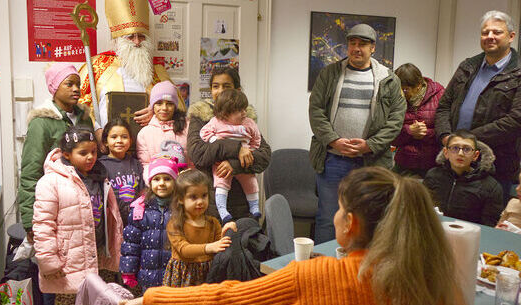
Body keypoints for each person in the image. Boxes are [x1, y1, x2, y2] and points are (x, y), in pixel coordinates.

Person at [122, 166, 461, 305]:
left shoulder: (315, 274)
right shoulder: (434, 276)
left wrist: (152, 297)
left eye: (340, 209)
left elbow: (227, 298)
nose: (335, 215)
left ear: (353, 224)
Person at [308, 23, 406, 243]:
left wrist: (370, 144)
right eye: (352, 43)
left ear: (373, 48)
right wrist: (333, 141)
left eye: (362, 44)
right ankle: (327, 268)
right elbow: (315, 111)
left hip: (371, 162)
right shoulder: (330, 73)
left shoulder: (389, 79)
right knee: (328, 218)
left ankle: (362, 268)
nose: (356, 48)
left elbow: (396, 119)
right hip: (333, 160)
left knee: (372, 219)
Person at [78, 0, 185, 142]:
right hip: (108, 148)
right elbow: (79, 106)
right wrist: (97, 131)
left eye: (141, 36)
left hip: (149, 147)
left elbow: (179, 107)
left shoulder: (156, 70)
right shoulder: (97, 66)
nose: (137, 42)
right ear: (117, 40)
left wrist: (156, 112)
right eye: (130, 37)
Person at [435, 10, 521, 206]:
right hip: (455, 163)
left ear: (511, 36)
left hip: (497, 167)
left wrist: (468, 141)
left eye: (497, 32)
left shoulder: (518, 72)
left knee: (488, 226)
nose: (490, 37)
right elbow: (443, 106)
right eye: (485, 32)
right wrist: (447, 137)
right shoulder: (468, 66)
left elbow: (515, 120)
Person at [33, 126, 123, 304]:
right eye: (83, 153)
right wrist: (49, 262)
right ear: (66, 154)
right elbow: (43, 225)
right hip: (69, 264)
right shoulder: (50, 182)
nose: (91, 157)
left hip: (98, 256)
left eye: (94, 151)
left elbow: (112, 219)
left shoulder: (100, 176)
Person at [18, 63, 93, 243]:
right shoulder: (42, 123)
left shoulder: (85, 118)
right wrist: (30, 221)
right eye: (69, 84)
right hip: (57, 206)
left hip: (86, 204)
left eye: (78, 83)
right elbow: (30, 173)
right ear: (54, 88)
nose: (76, 89)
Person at [187, 67, 271, 221]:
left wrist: (235, 165)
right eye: (215, 86)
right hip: (208, 201)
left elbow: (264, 155)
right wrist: (236, 148)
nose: (220, 91)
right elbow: (197, 153)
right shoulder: (200, 116)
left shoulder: (245, 118)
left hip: (241, 203)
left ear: (237, 90)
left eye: (226, 86)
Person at [163, 169, 237, 287]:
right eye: (193, 197)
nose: (200, 202)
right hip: (183, 276)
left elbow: (219, 245)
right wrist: (209, 247)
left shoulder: (213, 222)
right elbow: (184, 249)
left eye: (204, 196)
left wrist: (226, 231)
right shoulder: (175, 224)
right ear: (181, 199)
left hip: (207, 275)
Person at [200, 89, 262, 222]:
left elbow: (257, 139)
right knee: (221, 183)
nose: (244, 113)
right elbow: (204, 133)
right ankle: (222, 210)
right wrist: (216, 142)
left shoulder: (249, 122)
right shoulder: (216, 122)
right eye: (239, 111)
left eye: (244, 109)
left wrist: (251, 150)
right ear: (226, 113)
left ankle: (255, 207)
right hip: (221, 162)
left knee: (250, 181)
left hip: (244, 162)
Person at [120, 157, 178, 292]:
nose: (162, 183)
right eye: (157, 179)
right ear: (150, 182)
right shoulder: (140, 209)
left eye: (167, 179)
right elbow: (131, 243)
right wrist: (129, 270)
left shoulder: (182, 207)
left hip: (175, 275)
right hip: (148, 276)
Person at [423, 130, 503, 226]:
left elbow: (489, 226)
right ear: (446, 152)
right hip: (433, 230)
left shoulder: (491, 187)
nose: (460, 153)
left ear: (475, 155)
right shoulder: (433, 175)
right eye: (455, 148)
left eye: (467, 149)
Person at [392, 63, 445, 177]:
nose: (401, 94)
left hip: (433, 164)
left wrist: (426, 133)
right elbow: (390, 137)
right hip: (404, 164)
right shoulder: (394, 99)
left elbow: (447, 131)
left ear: (419, 85)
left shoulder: (440, 95)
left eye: (405, 90)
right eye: (398, 89)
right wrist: (408, 131)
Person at [136, 81, 189, 184]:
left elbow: (193, 162)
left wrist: (188, 182)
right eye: (159, 103)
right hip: (158, 188)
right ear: (152, 106)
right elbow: (145, 164)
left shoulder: (188, 127)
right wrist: (154, 183)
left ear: (175, 106)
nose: (164, 108)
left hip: (185, 187)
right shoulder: (145, 133)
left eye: (169, 104)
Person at [98, 118, 146, 225]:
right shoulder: (100, 165)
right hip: (111, 221)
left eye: (124, 137)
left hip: (135, 219)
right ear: (106, 141)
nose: (119, 140)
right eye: (114, 137)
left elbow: (142, 192)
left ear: (130, 140)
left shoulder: (136, 164)